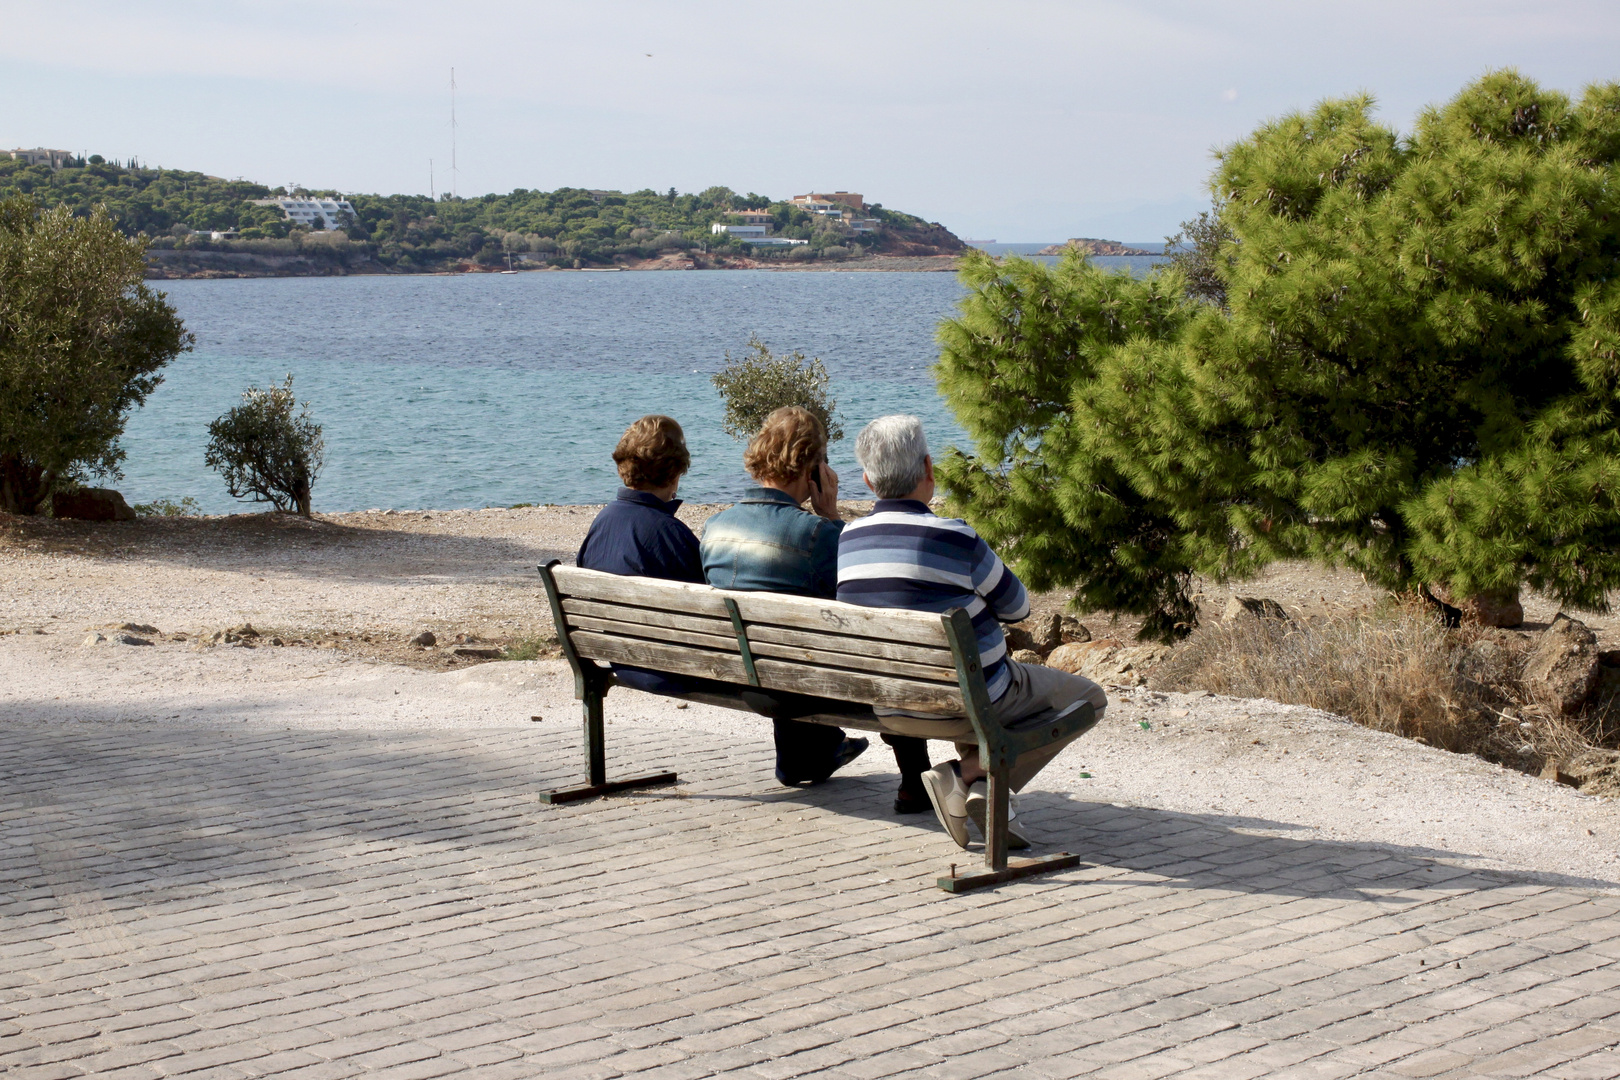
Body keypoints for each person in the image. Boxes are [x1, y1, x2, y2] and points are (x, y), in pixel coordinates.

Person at [836, 414, 1108, 849]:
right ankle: (963, 775)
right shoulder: (955, 538)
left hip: (890, 704)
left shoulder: (849, 539)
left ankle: (979, 787)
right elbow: (1019, 607)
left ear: (868, 480)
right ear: (929, 469)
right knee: (1089, 698)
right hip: (969, 701)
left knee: (977, 685)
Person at [702, 407, 937, 806]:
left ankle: (803, 758)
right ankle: (913, 779)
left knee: (784, 645)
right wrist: (830, 515)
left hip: (744, 679)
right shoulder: (818, 535)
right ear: (812, 466)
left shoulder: (715, 526)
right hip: (809, 687)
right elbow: (870, 595)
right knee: (891, 649)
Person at [576, 414, 705, 695]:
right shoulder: (671, 533)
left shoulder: (602, 522)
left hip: (621, 659)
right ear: (674, 472)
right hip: (671, 670)